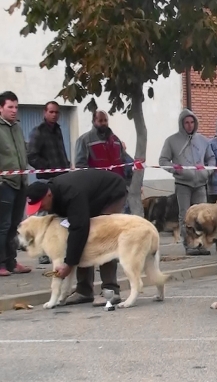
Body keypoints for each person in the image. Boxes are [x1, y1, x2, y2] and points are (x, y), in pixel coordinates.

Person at [24, 169, 129, 306]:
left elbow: (79, 228)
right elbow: (75, 232)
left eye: (40, 205)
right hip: (89, 198)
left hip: (111, 192)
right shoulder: (55, 197)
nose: (40, 209)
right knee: (81, 241)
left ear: (49, 195)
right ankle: (84, 290)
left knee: (102, 238)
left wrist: (69, 264)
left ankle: (111, 290)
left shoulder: (71, 194)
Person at [159, 109, 216, 256]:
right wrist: (176, 170)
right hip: (183, 184)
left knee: (202, 215)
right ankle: (189, 245)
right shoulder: (171, 141)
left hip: (201, 184)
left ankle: (201, 244)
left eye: (192, 122)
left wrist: (206, 171)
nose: (189, 125)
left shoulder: (203, 141)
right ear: (182, 124)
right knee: (185, 215)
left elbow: (211, 159)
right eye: (186, 122)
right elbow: (163, 161)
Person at [27, 100, 71, 265]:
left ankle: (57, 247)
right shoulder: (38, 132)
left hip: (62, 178)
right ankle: (42, 252)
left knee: (59, 216)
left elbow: (61, 151)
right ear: (44, 113)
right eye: (51, 112)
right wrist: (47, 167)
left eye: (56, 112)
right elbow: (31, 156)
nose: (54, 115)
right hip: (46, 180)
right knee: (43, 216)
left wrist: (66, 166)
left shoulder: (58, 130)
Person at [0, 91, 31, 277]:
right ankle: (1, 263)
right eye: (10, 107)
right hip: (5, 184)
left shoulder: (17, 128)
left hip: (20, 182)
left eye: (16, 107)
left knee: (15, 225)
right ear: (1, 108)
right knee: (2, 225)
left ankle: (11, 261)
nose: (14, 111)